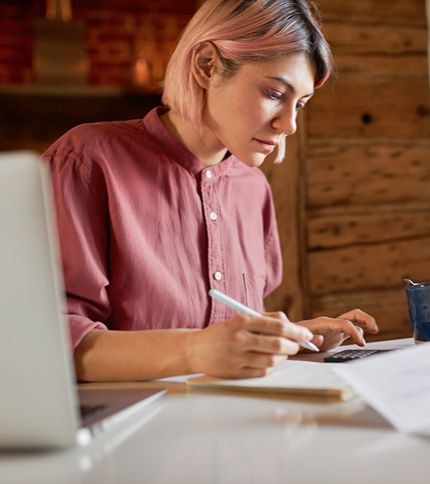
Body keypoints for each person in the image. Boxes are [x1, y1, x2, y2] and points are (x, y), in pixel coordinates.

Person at [43, 0, 379, 382]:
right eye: (273, 93)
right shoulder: (88, 160)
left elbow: (219, 341)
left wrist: (296, 337)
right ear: (206, 65)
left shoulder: (253, 189)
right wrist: (197, 351)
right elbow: (45, 341)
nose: (289, 125)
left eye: (299, 104)